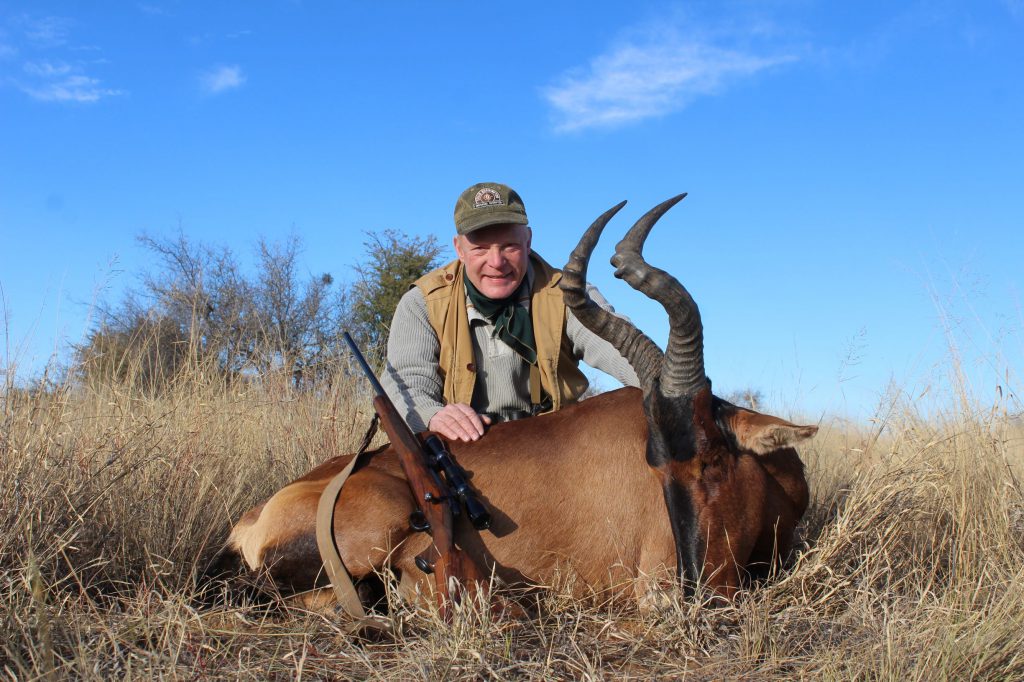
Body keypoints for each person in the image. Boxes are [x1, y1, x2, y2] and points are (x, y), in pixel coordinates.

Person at [381, 182, 639, 442]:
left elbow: (624, 350)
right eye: (480, 248)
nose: (496, 262)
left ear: (527, 241)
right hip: (466, 449)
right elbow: (406, 381)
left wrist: (668, 384)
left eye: (509, 246)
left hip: (554, 445)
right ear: (459, 249)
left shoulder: (568, 294)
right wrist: (432, 415)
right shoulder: (422, 303)